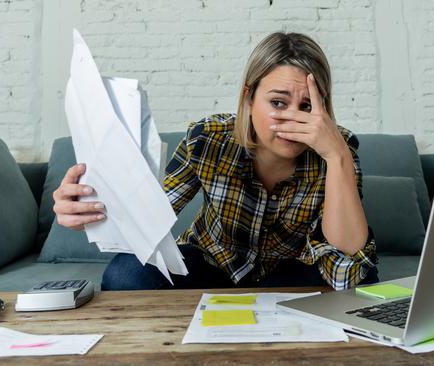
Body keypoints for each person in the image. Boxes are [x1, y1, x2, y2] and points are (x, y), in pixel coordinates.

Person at [52, 32, 378, 291]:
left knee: (360, 279)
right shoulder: (207, 138)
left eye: (307, 107)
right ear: (248, 99)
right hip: (213, 265)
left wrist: (337, 157)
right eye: (278, 102)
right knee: (126, 273)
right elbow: (150, 211)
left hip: (291, 272)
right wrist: (90, 208)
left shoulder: (338, 146)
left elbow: (346, 250)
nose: (293, 118)